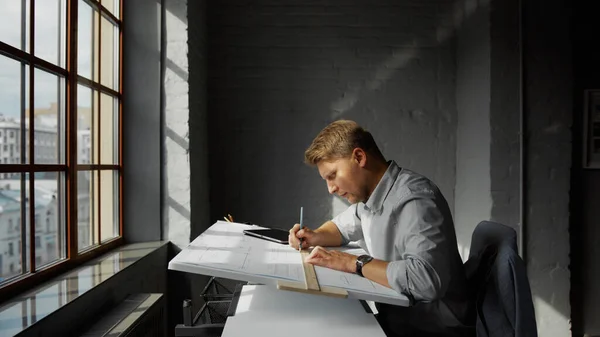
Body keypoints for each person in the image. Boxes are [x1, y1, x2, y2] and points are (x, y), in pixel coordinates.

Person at [288, 120, 471, 337]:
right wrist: (315, 236)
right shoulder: (370, 198)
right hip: (400, 318)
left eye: (333, 175)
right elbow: (340, 228)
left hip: (433, 328)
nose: (331, 189)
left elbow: (427, 281)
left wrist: (354, 263)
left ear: (359, 157)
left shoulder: (415, 199)